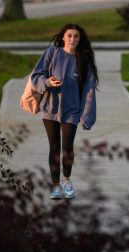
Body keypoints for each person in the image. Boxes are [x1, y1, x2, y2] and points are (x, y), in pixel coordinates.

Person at [30, 23, 98, 200]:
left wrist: (87, 115)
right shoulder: (52, 53)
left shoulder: (83, 60)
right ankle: (55, 185)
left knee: (67, 147)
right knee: (54, 148)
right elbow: (36, 75)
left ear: (80, 39)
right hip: (50, 109)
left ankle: (67, 181)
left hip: (72, 110)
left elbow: (89, 89)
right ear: (63, 37)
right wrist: (48, 83)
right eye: (69, 36)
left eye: (76, 36)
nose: (72, 39)